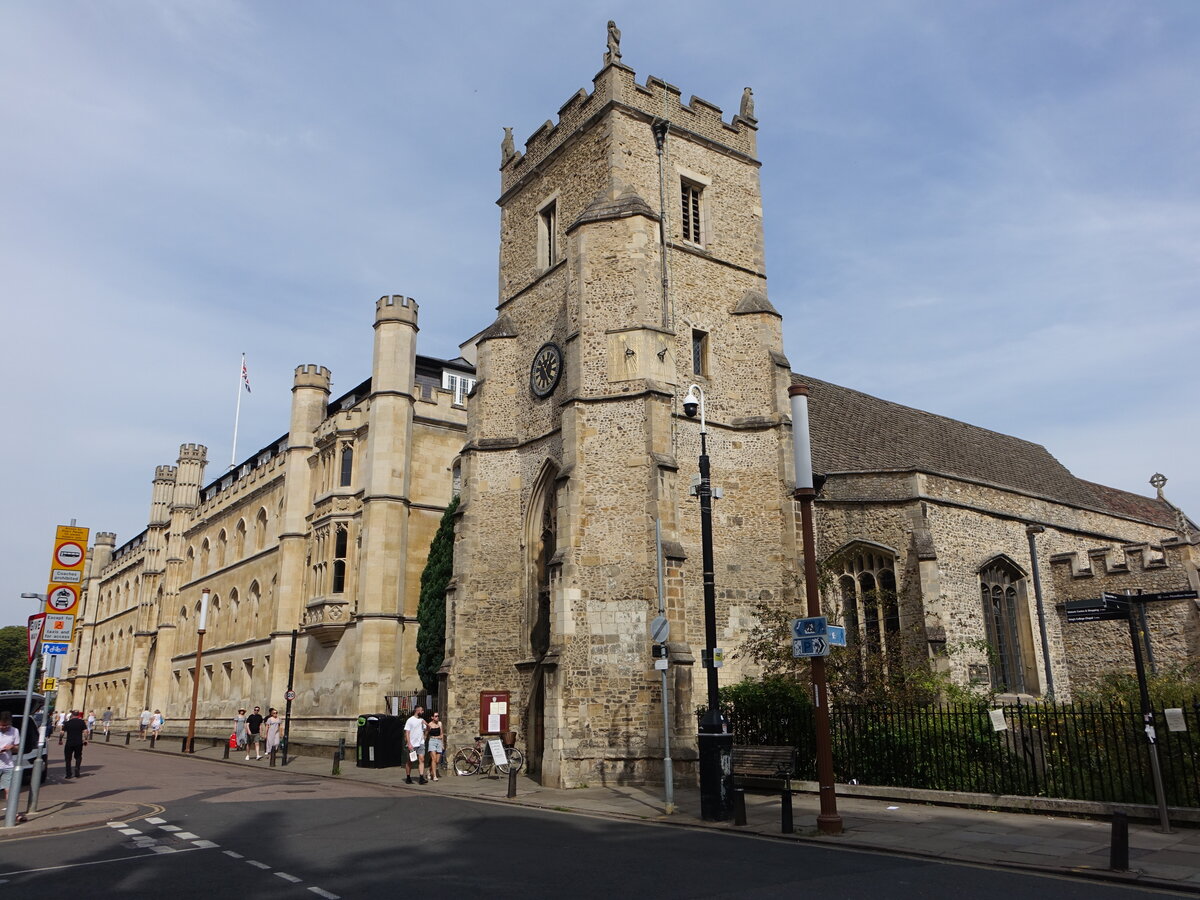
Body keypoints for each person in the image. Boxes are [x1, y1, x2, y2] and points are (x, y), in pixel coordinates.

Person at [403, 705, 427, 785]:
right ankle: (408, 777)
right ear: (417, 711)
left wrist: (427, 725)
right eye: (422, 710)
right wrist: (409, 743)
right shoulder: (410, 720)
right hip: (412, 744)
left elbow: (427, 729)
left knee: (422, 759)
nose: (423, 712)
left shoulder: (422, 720)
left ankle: (421, 777)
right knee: (410, 761)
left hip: (420, 743)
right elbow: (407, 732)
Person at [0, 711, 20, 807]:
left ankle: (12, 813)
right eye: (2, 725)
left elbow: (17, 748)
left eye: (7, 725)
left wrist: (12, 747)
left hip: (8, 765)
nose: (5, 727)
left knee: (9, 790)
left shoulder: (14, 731)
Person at [63, 710, 88, 779]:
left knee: (68, 759)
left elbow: (62, 732)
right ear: (78, 715)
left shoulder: (67, 723)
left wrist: (60, 740)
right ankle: (77, 770)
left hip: (69, 743)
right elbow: (85, 731)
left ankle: (68, 774)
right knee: (78, 756)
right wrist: (85, 739)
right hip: (79, 742)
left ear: (72, 715)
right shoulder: (81, 722)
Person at [426, 712, 445, 781]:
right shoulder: (429, 725)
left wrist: (442, 744)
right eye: (436, 716)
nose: (437, 717)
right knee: (433, 759)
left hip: (439, 741)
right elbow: (426, 734)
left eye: (438, 716)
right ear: (432, 717)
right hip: (432, 741)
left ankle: (429, 771)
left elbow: (442, 734)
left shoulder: (440, 723)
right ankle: (434, 776)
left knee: (437, 761)